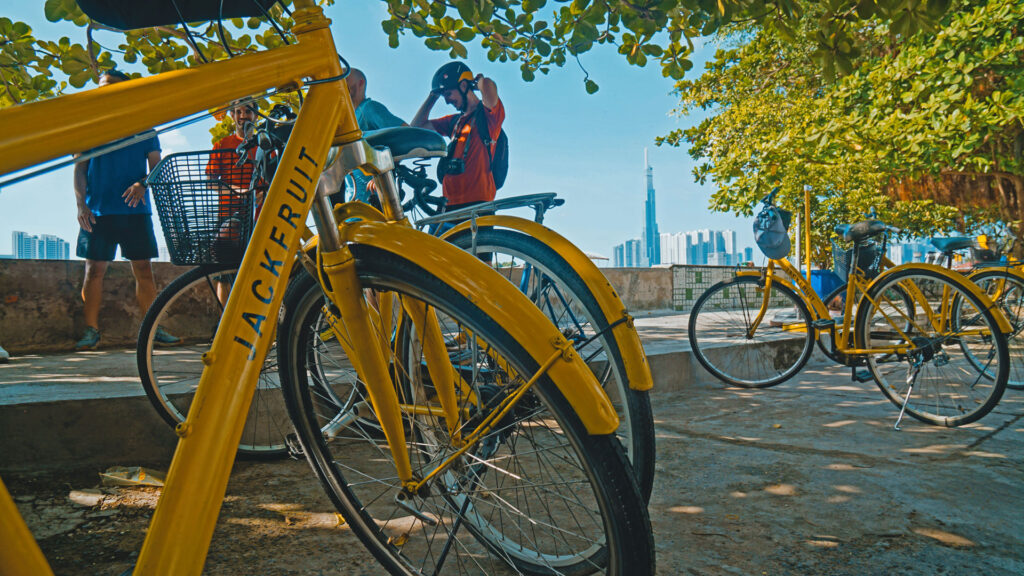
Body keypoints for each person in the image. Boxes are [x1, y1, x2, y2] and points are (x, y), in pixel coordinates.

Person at [73, 70, 179, 351]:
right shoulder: (90, 125)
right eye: (102, 87)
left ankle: (153, 330)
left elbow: (156, 165)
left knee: (144, 269)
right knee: (93, 270)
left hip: (136, 211)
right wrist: (81, 205)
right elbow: (79, 169)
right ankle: (91, 331)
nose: (107, 90)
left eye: (112, 86)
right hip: (98, 211)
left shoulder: (144, 125)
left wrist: (143, 184)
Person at [411, 61, 505, 212]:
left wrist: (478, 82)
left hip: (478, 206)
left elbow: (489, 87)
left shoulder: (489, 117)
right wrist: (433, 95)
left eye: (448, 94)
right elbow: (416, 128)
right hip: (447, 205)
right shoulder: (454, 121)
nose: (447, 101)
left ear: (463, 86)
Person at [206, 101, 265, 304]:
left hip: (258, 217)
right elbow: (210, 183)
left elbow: (274, 180)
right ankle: (224, 321)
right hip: (227, 216)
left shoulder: (264, 146)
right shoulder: (222, 145)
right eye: (238, 112)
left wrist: (263, 194)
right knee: (224, 274)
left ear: (255, 115)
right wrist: (236, 190)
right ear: (232, 116)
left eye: (247, 111)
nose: (243, 116)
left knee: (257, 271)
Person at [340, 68, 406, 204]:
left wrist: (383, 173)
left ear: (361, 83)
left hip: (375, 202)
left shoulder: (369, 108)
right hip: (353, 202)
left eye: (346, 78)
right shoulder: (349, 120)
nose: (341, 83)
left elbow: (406, 134)